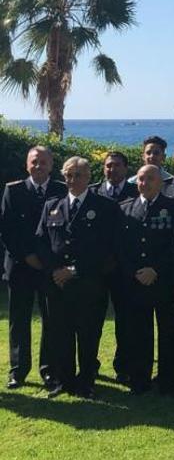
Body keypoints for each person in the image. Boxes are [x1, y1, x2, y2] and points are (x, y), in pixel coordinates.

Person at [37, 157, 121, 398]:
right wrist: (55, 270)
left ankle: (86, 382)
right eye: (69, 175)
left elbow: (109, 249)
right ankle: (64, 381)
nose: (73, 180)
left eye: (79, 175)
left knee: (88, 335)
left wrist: (74, 270)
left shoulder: (105, 207)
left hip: (89, 283)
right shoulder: (52, 205)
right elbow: (41, 243)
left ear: (89, 177)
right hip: (58, 285)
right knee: (60, 334)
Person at [1, 146, 66, 390]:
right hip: (20, 266)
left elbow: (63, 229)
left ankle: (49, 370)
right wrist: (27, 256)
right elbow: (7, 228)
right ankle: (18, 370)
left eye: (43, 162)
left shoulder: (60, 189)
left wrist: (49, 260)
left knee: (52, 318)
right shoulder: (13, 190)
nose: (38, 166)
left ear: (51, 165)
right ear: (27, 165)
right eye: (34, 162)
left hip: (49, 266)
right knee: (19, 319)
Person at [116, 165, 174, 395]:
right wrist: (134, 271)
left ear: (161, 182)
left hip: (163, 281)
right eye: (141, 179)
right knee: (138, 332)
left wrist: (156, 269)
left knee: (168, 332)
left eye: (150, 179)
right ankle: (140, 378)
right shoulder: (125, 208)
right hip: (135, 282)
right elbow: (120, 247)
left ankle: (168, 380)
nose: (145, 183)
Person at [89, 151, 137, 385]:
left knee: (125, 321)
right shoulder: (92, 192)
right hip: (97, 270)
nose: (112, 170)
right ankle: (90, 364)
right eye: (108, 166)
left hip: (123, 269)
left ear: (126, 169)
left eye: (117, 166)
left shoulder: (135, 192)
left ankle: (123, 366)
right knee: (93, 319)